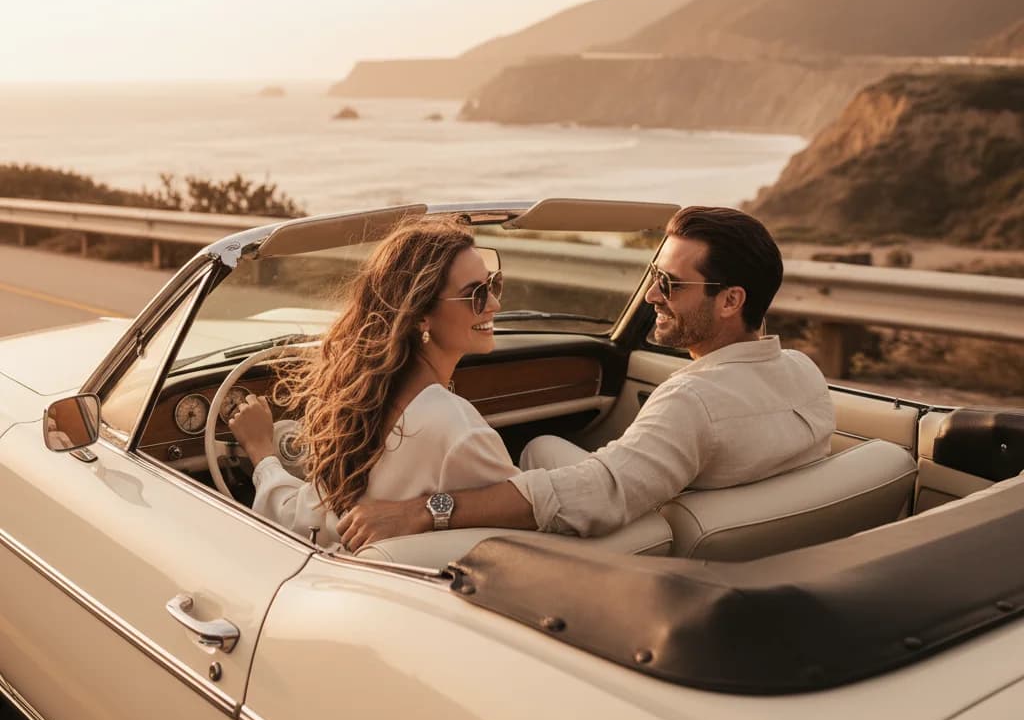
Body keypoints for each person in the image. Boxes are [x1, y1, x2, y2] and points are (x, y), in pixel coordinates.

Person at [336, 206, 835, 551]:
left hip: (654, 567)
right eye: (652, 277)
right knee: (547, 451)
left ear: (731, 301)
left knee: (538, 453)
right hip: (741, 553)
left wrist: (428, 509)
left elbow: (598, 494)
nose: (650, 297)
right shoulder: (808, 377)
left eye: (668, 284)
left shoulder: (690, 403)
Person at [229, 215, 519, 547]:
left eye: (493, 284)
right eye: (476, 294)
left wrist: (262, 454)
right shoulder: (461, 431)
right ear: (420, 315)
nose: (495, 304)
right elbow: (536, 519)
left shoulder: (362, 403)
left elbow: (303, 521)